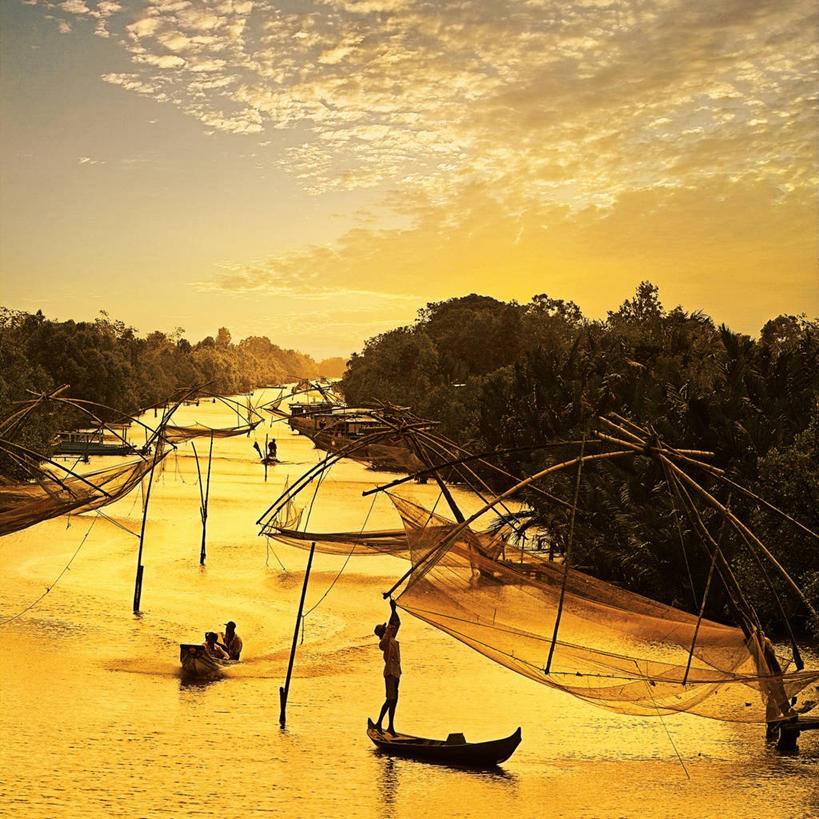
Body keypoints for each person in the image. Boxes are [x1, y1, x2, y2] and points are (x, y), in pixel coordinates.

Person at [373, 599, 401, 735]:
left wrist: (395, 610)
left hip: (396, 673)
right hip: (390, 673)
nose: (386, 628)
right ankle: (378, 723)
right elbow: (391, 626)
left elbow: (397, 623)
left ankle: (390, 726)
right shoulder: (383, 642)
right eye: (384, 629)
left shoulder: (391, 639)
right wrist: (392, 609)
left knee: (394, 700)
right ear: (381, 632)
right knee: (390, 699)